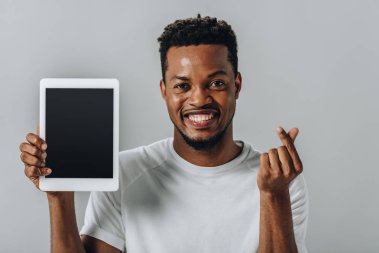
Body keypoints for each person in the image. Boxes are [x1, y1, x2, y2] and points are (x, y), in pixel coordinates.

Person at [19, 14, 309, 253]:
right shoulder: (124, 173)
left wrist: (274, 196)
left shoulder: (279, 181)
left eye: (216, 83)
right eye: (182, 86)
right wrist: (58, 197)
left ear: (237, 85)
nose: (199, 99)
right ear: (164, 91)